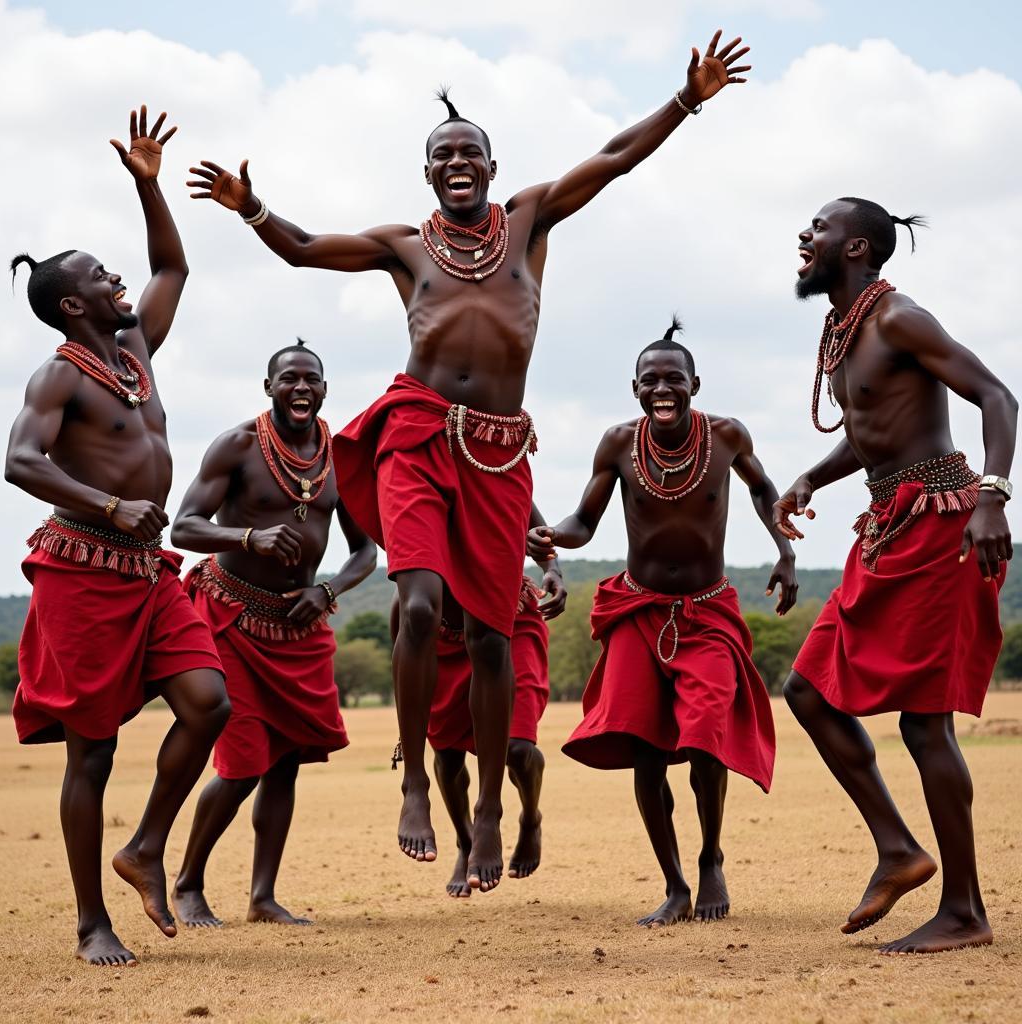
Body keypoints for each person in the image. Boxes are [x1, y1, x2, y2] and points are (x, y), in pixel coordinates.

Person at [186, 30, 752, 891]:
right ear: (428, 174)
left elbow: (614, 158)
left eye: (470, 152)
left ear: (491, 166)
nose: (458, 162)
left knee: (491, 635)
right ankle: (414, 778)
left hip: (497, 452)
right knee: (417, 606)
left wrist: (687, 99)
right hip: (418, 432)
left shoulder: (528, 222)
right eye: (442, 154)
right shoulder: (405, 247)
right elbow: (305, 249)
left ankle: (488, 808)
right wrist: (250, 207)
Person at [4, 108, 230, 966]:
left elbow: (172, 262)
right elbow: (19, 461)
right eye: (102, 276)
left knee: (210, 702)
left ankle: (143, 849)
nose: (118, 281)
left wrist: (148, 185)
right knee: (90, 751)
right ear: (72, 304)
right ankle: (90, 921)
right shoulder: (59, 372)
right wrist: (107, 506)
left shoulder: (136, 350)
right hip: (83, 569)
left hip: (149, 569)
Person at [775, 197, 1016, 954]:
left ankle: (965, 910)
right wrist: (811, 479)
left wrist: (992, 497)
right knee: (807, 689)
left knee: (924, 721)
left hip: (944, 523)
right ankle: (898, 850)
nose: (803, 237)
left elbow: (998, 396)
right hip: (886, 526)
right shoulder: (843, 330)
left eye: (817, 229)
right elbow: (872, 432)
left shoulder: (901, 318)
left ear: (855, 248)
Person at [528, 317, 796, 926]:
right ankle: (674, 883)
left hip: (707, 612)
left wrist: (784, 550)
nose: (662, 388)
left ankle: (709, 859)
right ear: (635, 388)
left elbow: (761, 490)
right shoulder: (618, 444)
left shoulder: (727, 436)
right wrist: (550, 538)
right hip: (639, 610)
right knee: (642, 747)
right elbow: (583, 522)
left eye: (673, 378)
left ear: (694, 384)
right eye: (650, 380)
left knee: (705, 740)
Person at [169, 339, 376, 927]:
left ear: (325, 388)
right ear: (269, 388)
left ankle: (263, 897)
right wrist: (247, 538)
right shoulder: (236, 445)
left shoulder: (342, 459)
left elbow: (365, 551)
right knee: (241, 764)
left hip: (300, 625)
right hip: (230, 616)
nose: (301, 387)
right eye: (289, 378)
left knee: (285, 763)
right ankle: (188, 883)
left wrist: (327, 592)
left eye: (311, 378)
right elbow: (185, 525)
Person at [391, 510, 566, 896]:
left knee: (518, 749)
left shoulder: (489, 460)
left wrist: (553, 567)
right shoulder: (419, 480)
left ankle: (529, 818)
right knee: (448, 756)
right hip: (442, 634)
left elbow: (533, 521)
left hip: (508, 620)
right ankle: (465, 842)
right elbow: (403, 613)